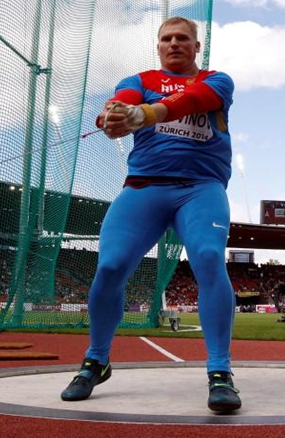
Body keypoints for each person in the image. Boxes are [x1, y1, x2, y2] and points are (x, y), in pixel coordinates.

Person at [59, 16, 239, 412]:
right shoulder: (138, 81)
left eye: (182, 38)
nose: (174, 44)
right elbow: (121, 103)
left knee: (209, 256)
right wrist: (114, 116)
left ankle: (220, 372)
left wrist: (145, 115)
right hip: (144, 188)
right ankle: (96, 360)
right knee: (110, 266)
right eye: (166, 38)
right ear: (158, 46)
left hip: (200, 188)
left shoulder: (217, 80)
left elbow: (191, 101)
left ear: (196, 46)